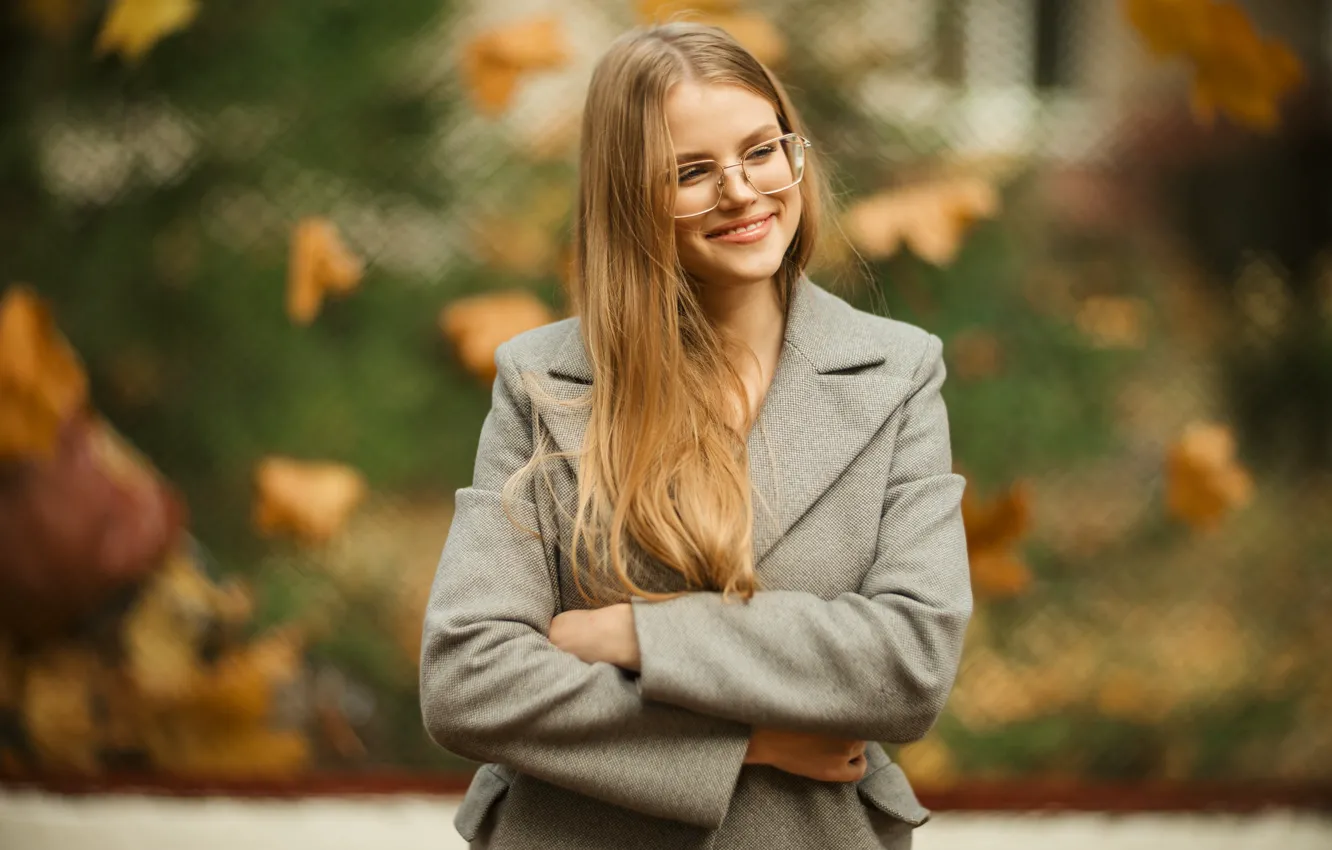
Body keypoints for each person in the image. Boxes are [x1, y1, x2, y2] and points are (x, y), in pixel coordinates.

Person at [420, 21, 972, 850]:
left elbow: (909, 661)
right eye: (691, 171)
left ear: (795, 154)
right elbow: (468, 679)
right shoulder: (543, 379)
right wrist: (747, 742)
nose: (743, 192)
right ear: (629, 197)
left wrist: (638, 634)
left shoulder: (898, 374)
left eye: (761, 151)